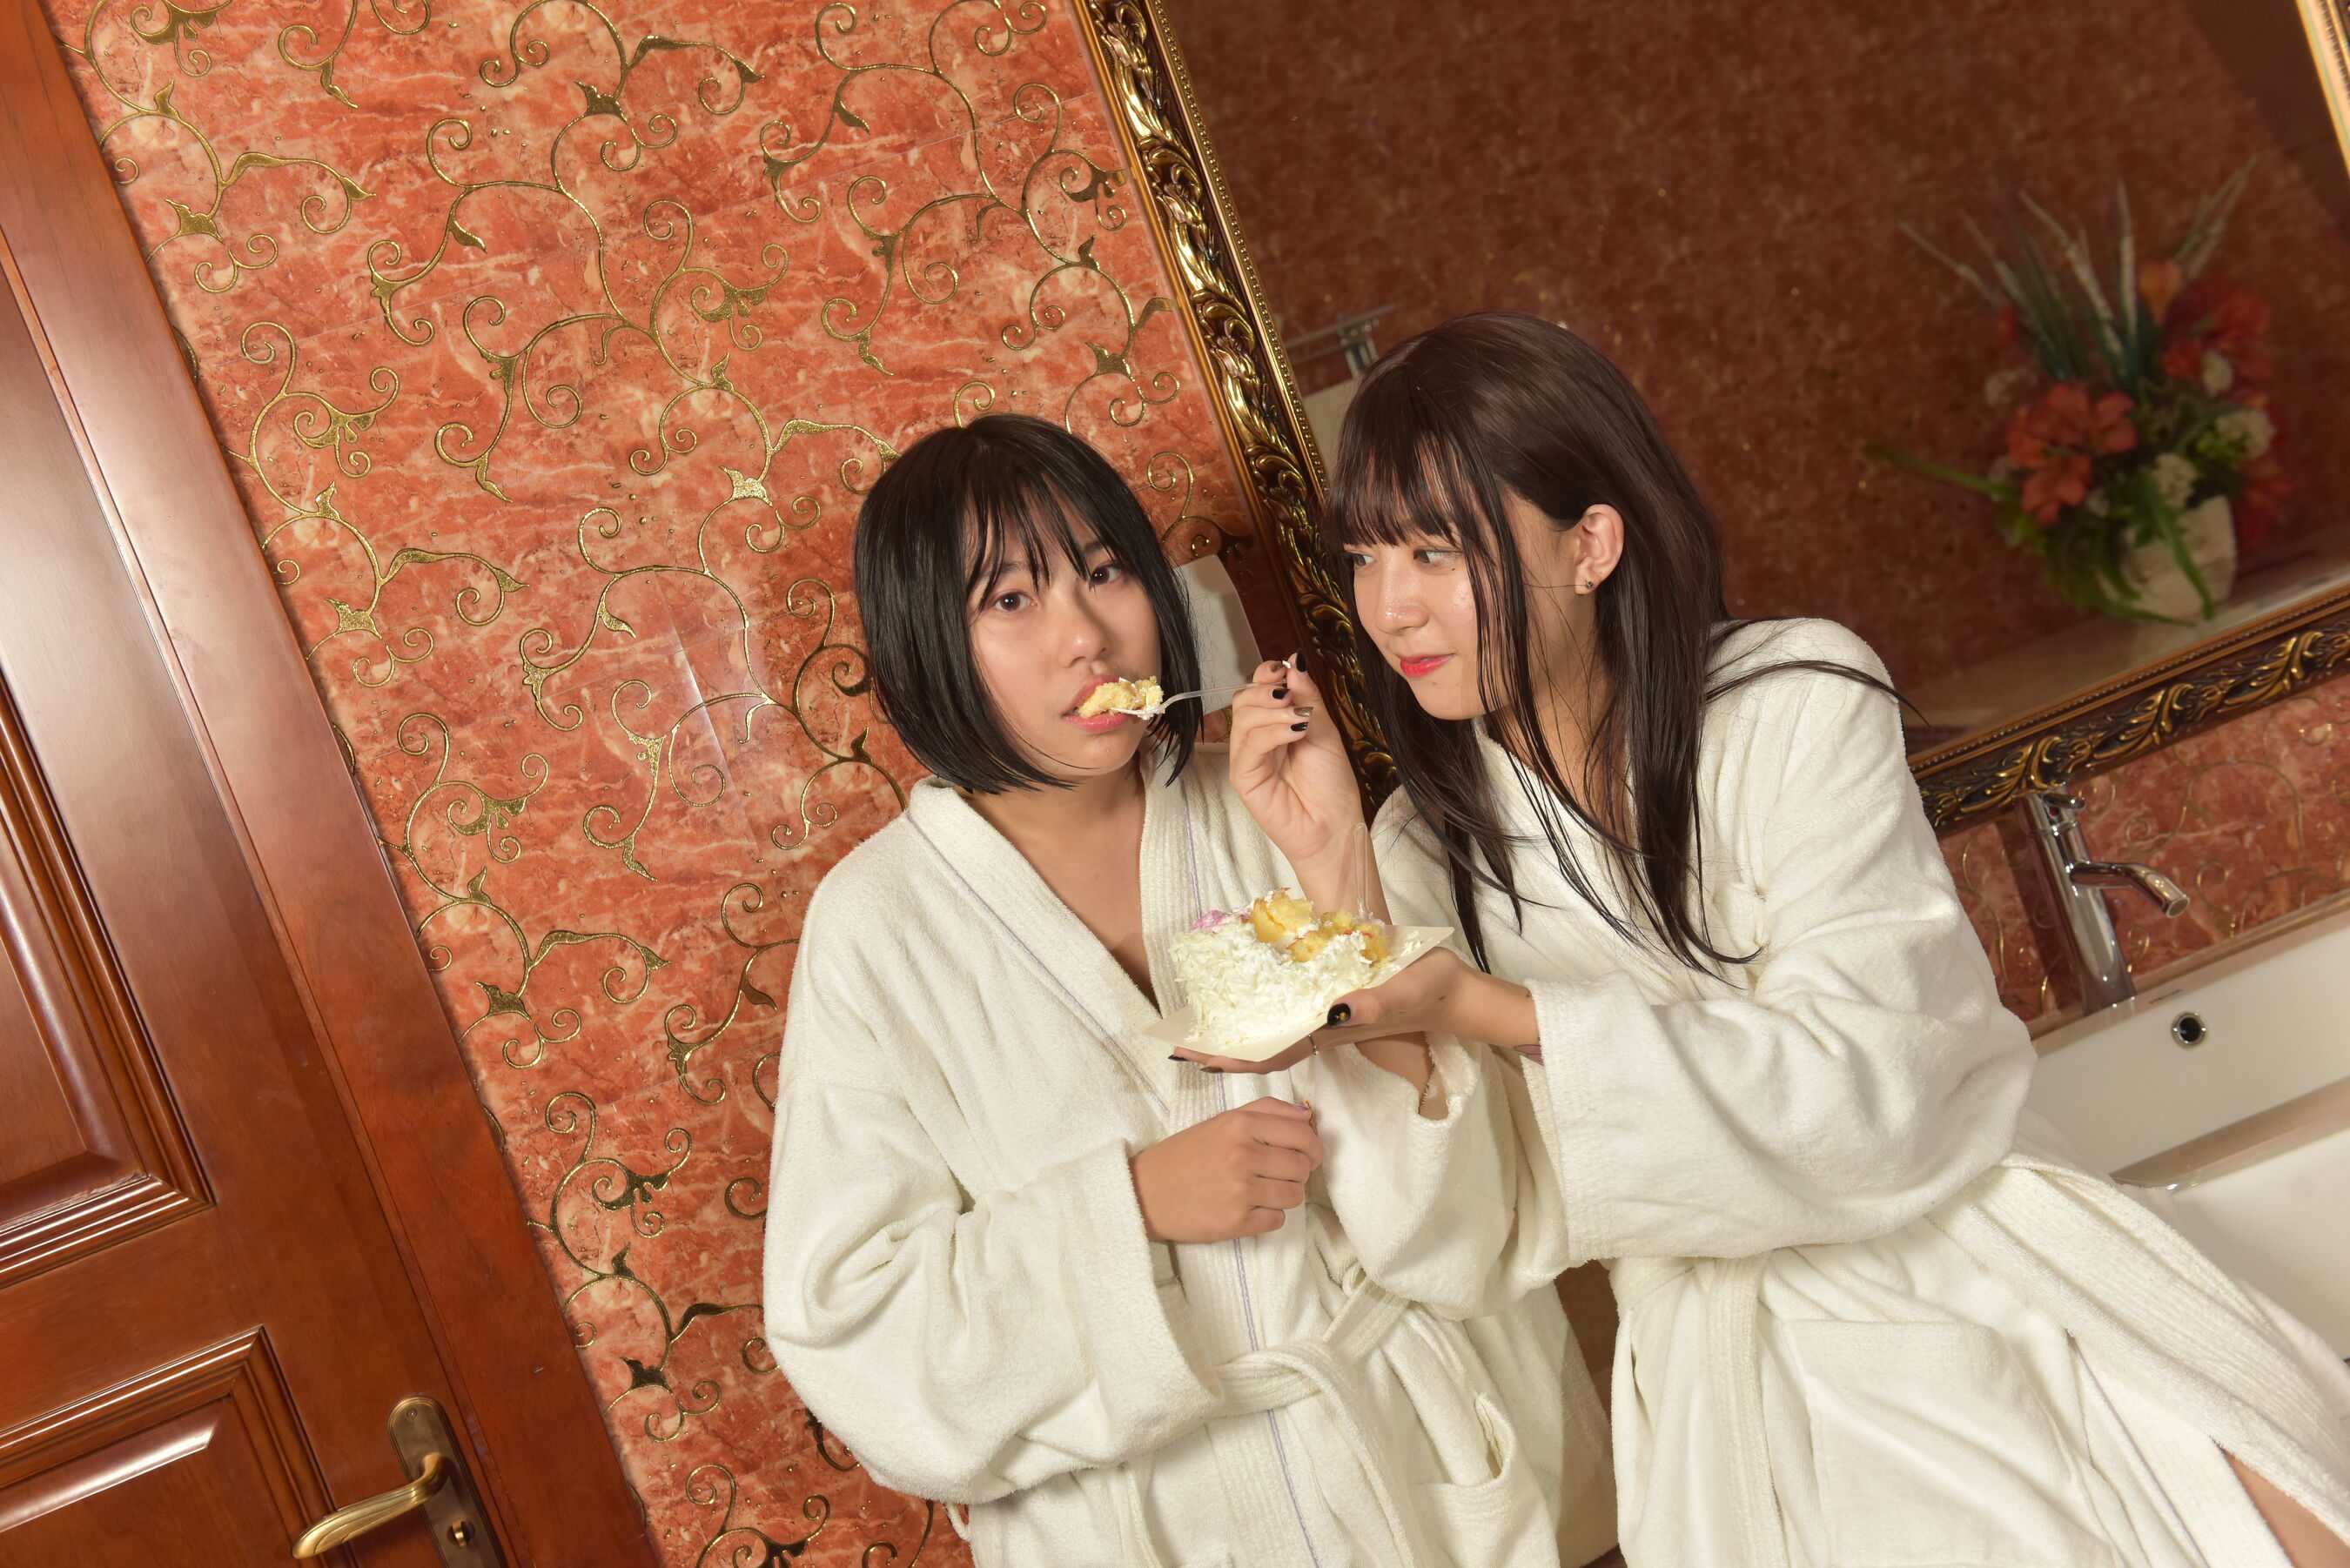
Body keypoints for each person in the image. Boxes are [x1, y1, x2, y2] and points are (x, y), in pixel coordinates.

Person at [1252, 312, 2350, 1566]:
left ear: (1591, 542)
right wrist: (1336, 878)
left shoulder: (1795, 701)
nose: (1390, 606)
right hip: (1738, 1368)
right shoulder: (1425, 842)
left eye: (1434, 550)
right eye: (1365, 556)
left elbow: (1875, 1092)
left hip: (1983, 1256)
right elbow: (1457, 1241)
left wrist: (1490, 1009)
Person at [758, 411, 1615, 1568]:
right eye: (1010, 599)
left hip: (1426, 1484)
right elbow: (854, 1336)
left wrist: (1337, 867)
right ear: (927, 643)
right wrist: (1133, 1208)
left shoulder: (1276, 806)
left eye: (1104, 571)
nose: (1085, 636)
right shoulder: (877, 929)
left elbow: (1479, 1228)